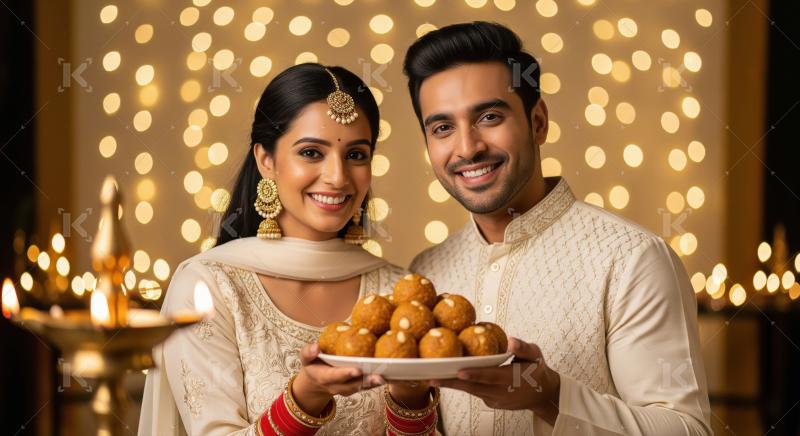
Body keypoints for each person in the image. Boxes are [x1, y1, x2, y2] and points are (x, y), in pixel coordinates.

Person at [404, 22, 712, 435]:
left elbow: (687, 430)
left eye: (490, 116)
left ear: (538, 122)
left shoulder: (631, 259)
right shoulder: (426, 271)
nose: (467, 147)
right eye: (442, 128)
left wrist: (550, 397)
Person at [138, 63, 435, 436]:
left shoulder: (395, 290)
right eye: (312, 152)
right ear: (266, 160)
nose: (338, 177)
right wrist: (306, 395)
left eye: (356, 155)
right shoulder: (211, 286)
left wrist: (411, 398)